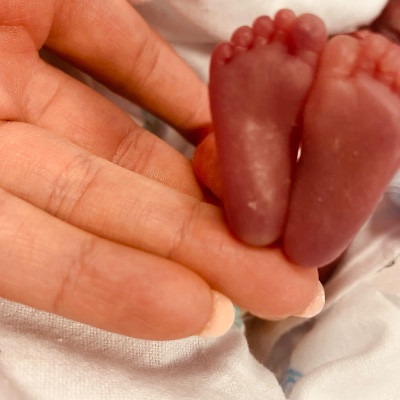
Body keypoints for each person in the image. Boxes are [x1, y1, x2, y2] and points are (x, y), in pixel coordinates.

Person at [0, 1, 399, 399]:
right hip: (202, 174)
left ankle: (295, 204)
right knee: (365, 335)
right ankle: (308, 223)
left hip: (172, 165)